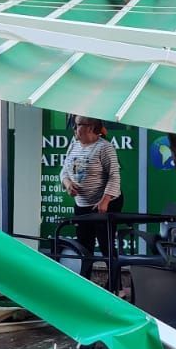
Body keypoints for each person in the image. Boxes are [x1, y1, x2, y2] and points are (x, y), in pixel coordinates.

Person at [59, 116, 122, 280]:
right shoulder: (74, 144)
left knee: (105, 244)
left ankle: (115, 285)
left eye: (78, 125)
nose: (75, 128)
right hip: (82, 204)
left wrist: (106, 200)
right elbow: (64, 171)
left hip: (104, 204)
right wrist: (68, 184)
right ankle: (85, 283)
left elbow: (114, 176)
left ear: (90, 127)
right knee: (83, 245)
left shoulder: (104, 148)